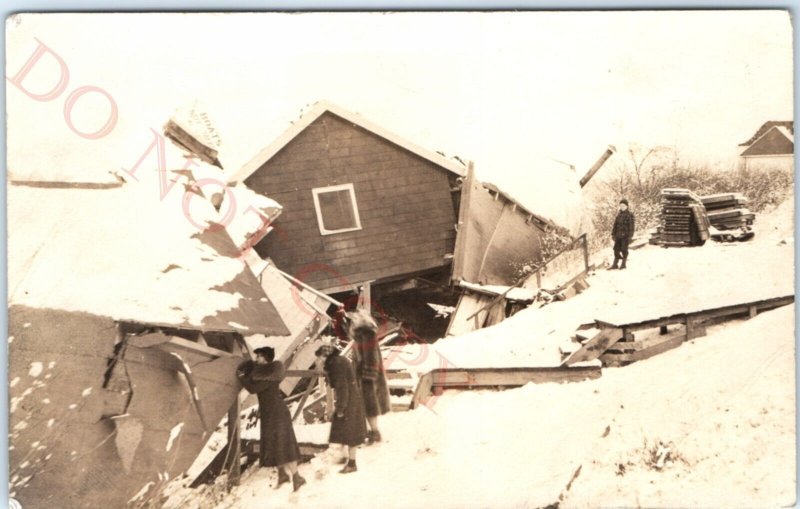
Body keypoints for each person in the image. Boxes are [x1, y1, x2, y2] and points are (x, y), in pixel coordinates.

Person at [237, 346, 306, 491]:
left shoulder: (269, 374)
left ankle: (296, 477)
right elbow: (253, 381)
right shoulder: (262, 372)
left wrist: (242, 376)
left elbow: (252, 388)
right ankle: (282, 474)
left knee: (285, 444)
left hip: (277, 413)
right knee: (274, 443)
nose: (256, 359)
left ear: (265, 358)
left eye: (259, 356)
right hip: (270, 412)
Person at [314, 343, 367, 473]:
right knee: (342, 430)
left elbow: (342, 387)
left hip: (348, 400)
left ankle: (352, 464)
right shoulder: (337, 361)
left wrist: (341, 409)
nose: (317, 362)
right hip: (351, 397)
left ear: (324, 356)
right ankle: (344, 456)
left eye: (319, 358)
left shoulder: (336, 365)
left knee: (350, 432)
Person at [347, 310, 391, 445]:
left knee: (370, 406)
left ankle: (374, 432)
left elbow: (372, 357)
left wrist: (367, 376)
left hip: (368, 378)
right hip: (362, 376)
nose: (351, 323)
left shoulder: (367, 335)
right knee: (366, 406)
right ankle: (371, 432)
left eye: (353, 320)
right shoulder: (360, 336)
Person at [611, 198, 635, 270]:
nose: (622, 207)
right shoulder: (618, 215)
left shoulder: (630, 215)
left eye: (623, 206)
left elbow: (631, 227)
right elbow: (615, 225)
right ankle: (615, 265)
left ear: (627, 206)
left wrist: (630, 236)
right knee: (616, 249)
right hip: (618, 235)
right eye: (621, 205)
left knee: (624, 249)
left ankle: (623, 264)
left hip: (625, 236)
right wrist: (613, 234)